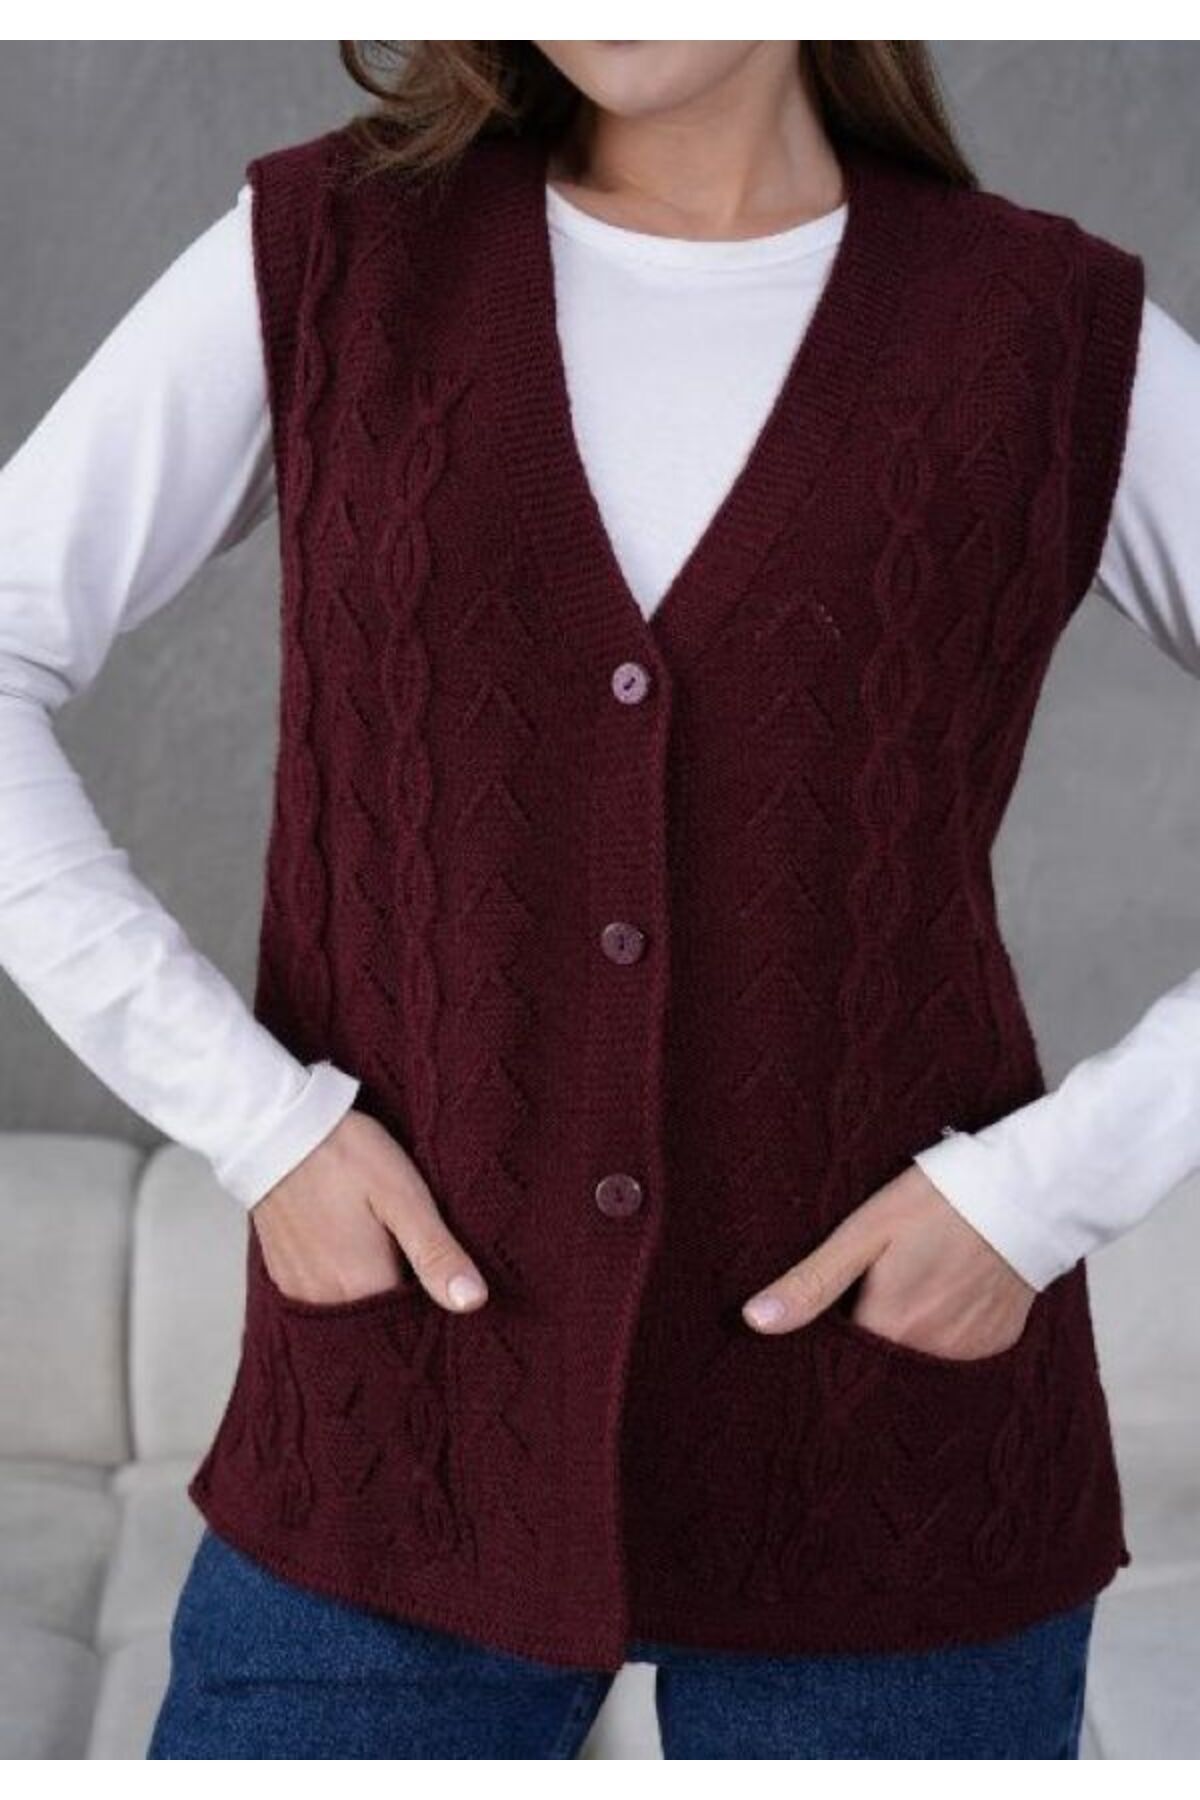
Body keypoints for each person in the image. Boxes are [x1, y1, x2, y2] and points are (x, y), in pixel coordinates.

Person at [1, 40, 1197, 1760]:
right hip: (399, 1442)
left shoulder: (1044, 328)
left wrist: (1049, 1190)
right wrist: (257, 1125)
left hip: (888, 1462)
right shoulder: (333, 255)